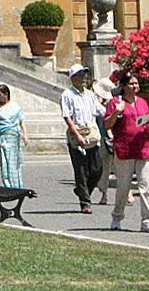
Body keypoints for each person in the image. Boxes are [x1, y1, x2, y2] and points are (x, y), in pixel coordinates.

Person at [101, 70, 149, 233]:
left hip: (143, 148)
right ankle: (117, 216)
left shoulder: (142, 102)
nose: (135, 86)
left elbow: (145, 124)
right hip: (125, 150)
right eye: (131, 84)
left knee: (146, 187)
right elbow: (107, 125)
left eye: (136, 83)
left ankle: (147, 221)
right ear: (124, 86)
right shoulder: (116, 102)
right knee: (123, 187)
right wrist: (116, 112)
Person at [59, 66, 106, 213]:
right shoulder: (67, 95)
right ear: (73, 78)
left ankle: (82, 191)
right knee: (80, 171)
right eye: (80, 75)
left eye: (85, 75)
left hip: (92, 136)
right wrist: (77, 135)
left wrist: (115, 111)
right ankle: (85, 202)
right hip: (77, 136)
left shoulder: (90, 95)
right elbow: (67, 117)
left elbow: (101, 110)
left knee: (97, 169)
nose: (84, 78)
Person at [0, 83, 24, 190]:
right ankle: (8, 185)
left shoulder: (15, 107)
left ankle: (17, 186)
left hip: (13, 137)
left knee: (14, 163)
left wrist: (25, 135)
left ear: (6, 94)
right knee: (4, 163)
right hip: (1, 138)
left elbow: (21, 122)